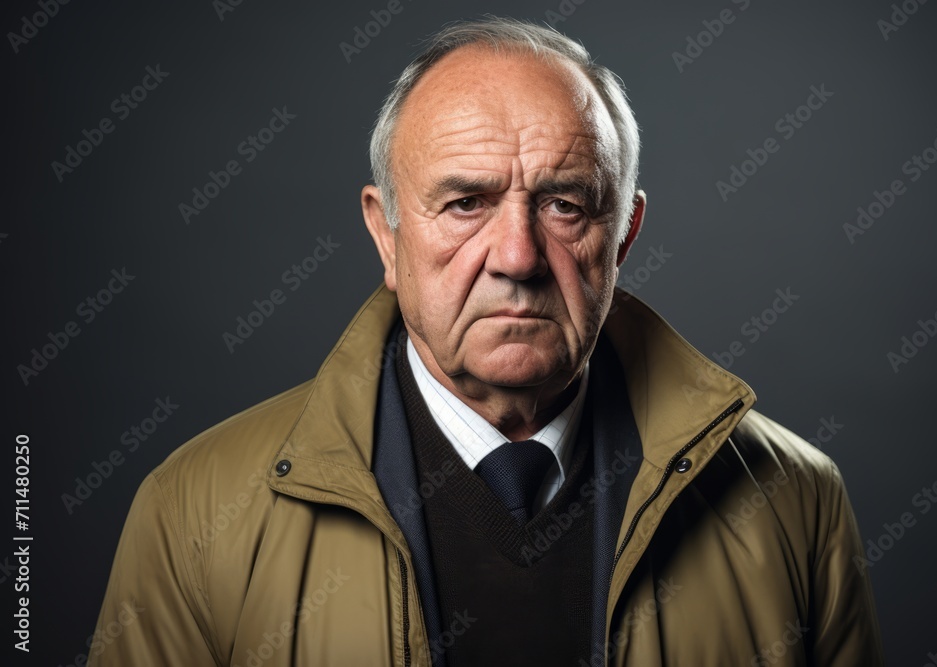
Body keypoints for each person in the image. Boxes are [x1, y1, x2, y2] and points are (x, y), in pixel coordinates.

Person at [87, 17, 884, 667]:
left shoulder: (796, 500)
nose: (517, 256)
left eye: (565, 203)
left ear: (625, 235)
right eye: (466, 202)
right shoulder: (193, 512)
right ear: (387, 235)